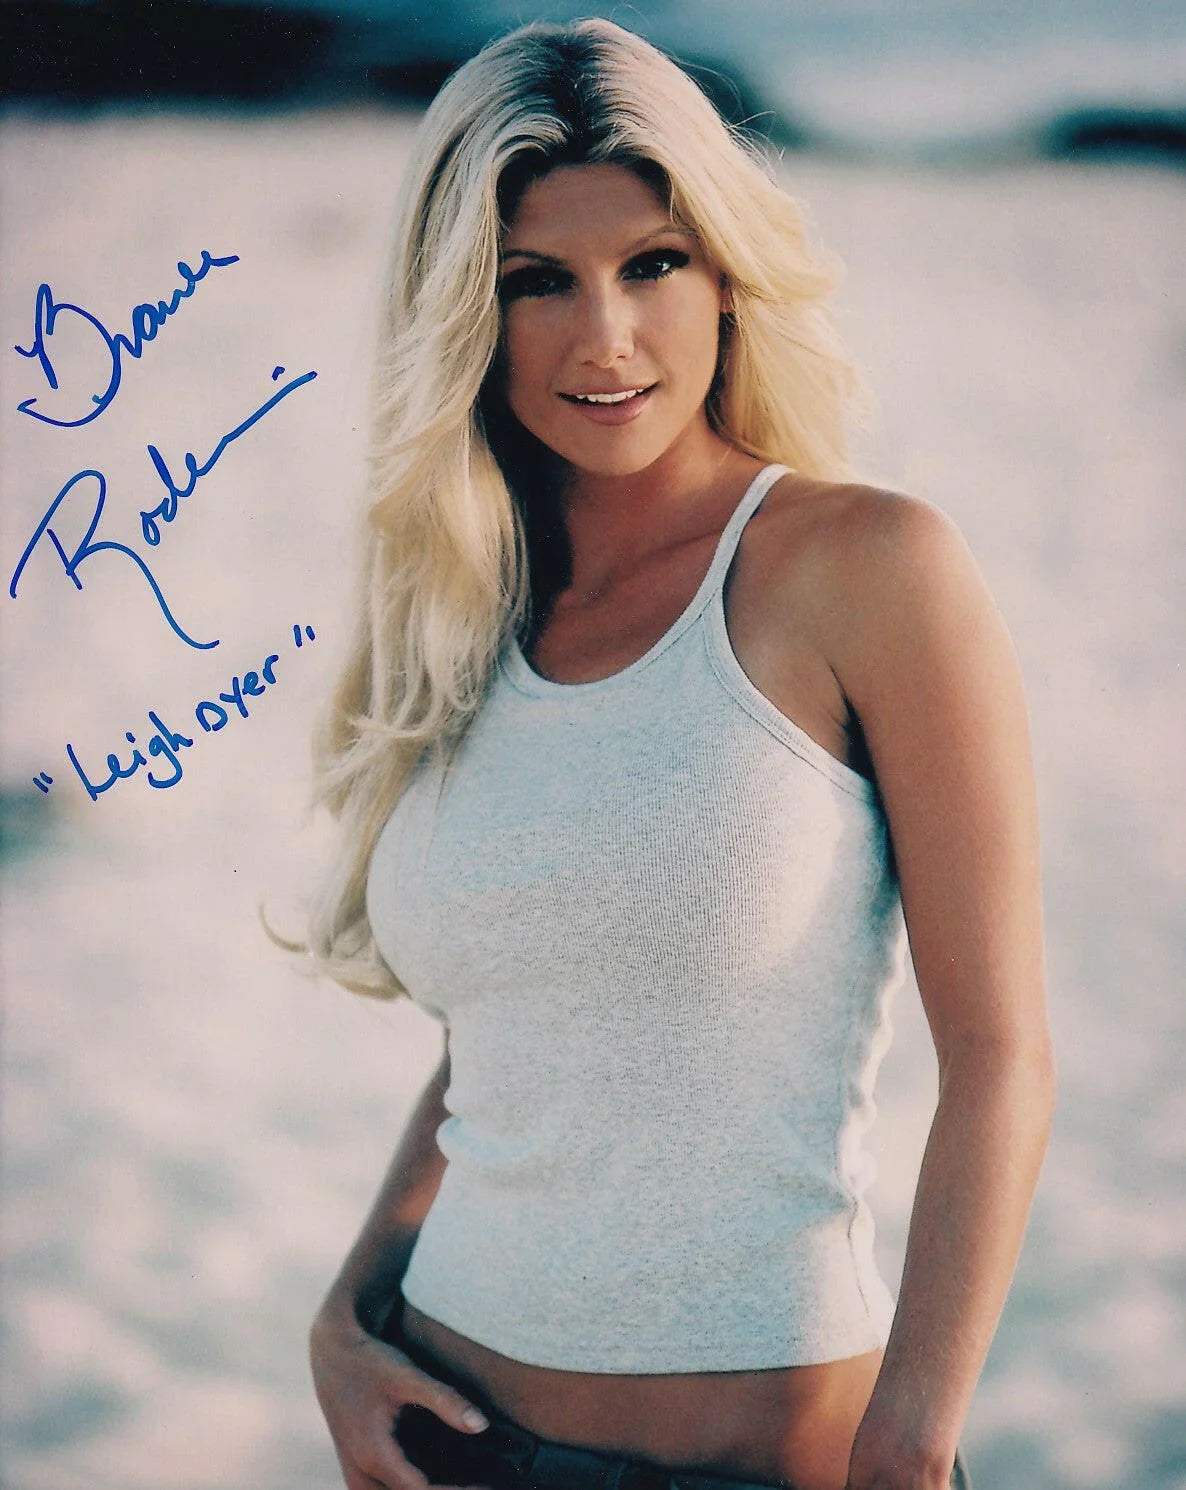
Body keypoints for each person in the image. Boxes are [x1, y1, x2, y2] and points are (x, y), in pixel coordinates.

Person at [302, 17, 1056, 1490]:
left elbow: (1001, 1053)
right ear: (461, 313)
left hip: (776, 1460)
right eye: (535, 281)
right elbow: (517, 1032)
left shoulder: (865, 567)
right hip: (446, 1436)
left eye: (652, 263)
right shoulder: (467, 603)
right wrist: (343, 1313)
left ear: (726, 276)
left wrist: (912, 1443)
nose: (605, 337)